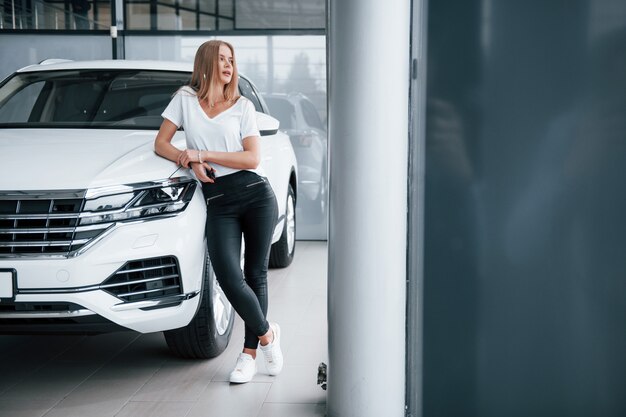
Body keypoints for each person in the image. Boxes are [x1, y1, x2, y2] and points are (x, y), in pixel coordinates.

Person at [154, 40, 283, 383]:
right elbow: (161, 143)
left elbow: (251, 158)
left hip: (256, 195)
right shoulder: (185, 99)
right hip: (219, 201)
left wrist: (202, 155)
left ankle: (249, 354)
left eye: (231, 59)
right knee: (228, 277)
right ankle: (268, 334)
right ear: (207, 63)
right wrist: (186, 158)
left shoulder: (242, 106)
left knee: (255, 276)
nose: (228, 65)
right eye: (221, 59)